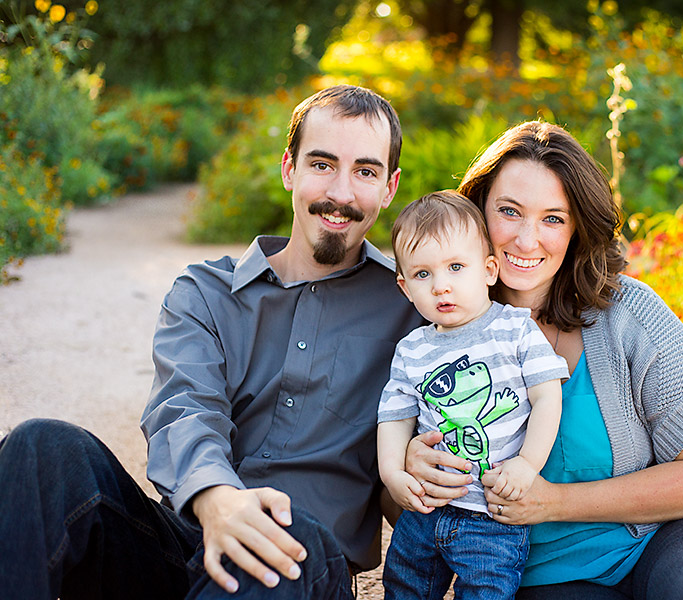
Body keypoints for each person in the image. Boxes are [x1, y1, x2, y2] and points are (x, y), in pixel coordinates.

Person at [0, 84, 424, 599]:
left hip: (303, 568)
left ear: (389, 186)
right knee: (43, 446)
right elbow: (184, 409)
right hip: (185, 544)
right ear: (289, 169)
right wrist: (220, 499)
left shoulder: (415, 308)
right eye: (322, 164)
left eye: (365, 171)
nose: (341, 192)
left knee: (283, 535)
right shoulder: (204, 293)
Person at [405, 121, 683, 599]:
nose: (525, 240)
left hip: (675, 537)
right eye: (509, 212)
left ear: (577, 226)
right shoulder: (433, 332)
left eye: (553, 219)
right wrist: (413, 464)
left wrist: (554, 502)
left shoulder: (631, 316)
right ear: (477, 212)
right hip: (551, 577)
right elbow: (409, 515)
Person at [377, 191, 569, 599]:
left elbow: (548, 398)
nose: (441, 286)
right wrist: (393, 474)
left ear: (488, 270)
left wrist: (527, 464)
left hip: (492, 514)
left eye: (456, 268)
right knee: (404, 583)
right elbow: (394, 418)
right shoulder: (411, 350)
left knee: (487, 590)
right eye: (423, 275)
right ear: (405, 286)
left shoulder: (515, 329)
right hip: (428, 507)